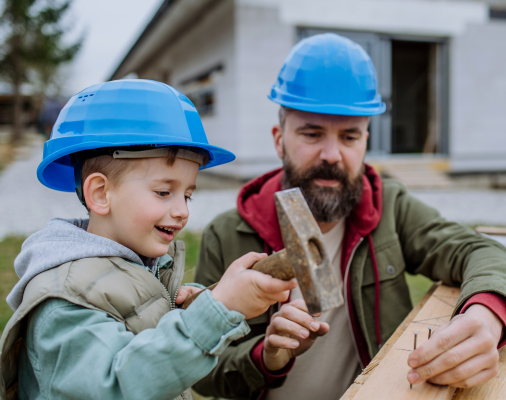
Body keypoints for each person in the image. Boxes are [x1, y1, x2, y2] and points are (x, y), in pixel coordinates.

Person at [192, 33, 506, 400]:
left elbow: (483, 252)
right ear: (279, 139)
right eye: (312, 133)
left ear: (366, 141)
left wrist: (485, 317)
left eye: (350, 136)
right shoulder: (227, 234)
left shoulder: (388, 206)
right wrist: (268, 355)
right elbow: (203, 372)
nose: (332, 155)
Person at [0, 80, 296, 400]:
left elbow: (146, 337)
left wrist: (200, 304)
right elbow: (116, 385)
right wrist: (221, 308)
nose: (182, 211)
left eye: (188, 195)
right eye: (164, 192)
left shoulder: (139, 265)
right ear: (100, 194)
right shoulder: (65, 300)